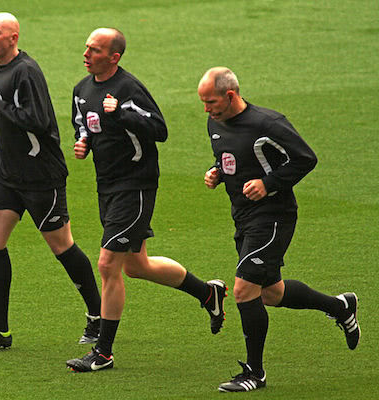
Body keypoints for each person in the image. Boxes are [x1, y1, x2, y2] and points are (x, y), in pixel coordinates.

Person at [65, 28, 227, 373]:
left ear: (114, 57)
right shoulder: (81, 90)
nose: (86, 54)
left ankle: (103, 353)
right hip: (106, 186)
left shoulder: (128, 89)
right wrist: (84, 144)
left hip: (135, 185)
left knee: (108, 264)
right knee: (136, 266)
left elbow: (159, 129)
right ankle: (208, 294)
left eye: (94, 50)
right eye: (86, 48)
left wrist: (120, 112)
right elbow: (84, 126)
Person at [197, 67, 361, 392]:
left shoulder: (267, 123)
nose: (206, 108)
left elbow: (305, 158)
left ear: (230, 96)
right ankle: (340, 306)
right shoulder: (214, 121)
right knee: (270, 293)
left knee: (243, 289)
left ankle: (254, 373)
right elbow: (231, 159)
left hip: (273, 216)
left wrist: (269, 184)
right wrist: (216, 172)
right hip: (242, 216)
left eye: (211, 101)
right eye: (203, 102)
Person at [0, 12, 102, 349]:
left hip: (40, 176)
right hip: (6, 173)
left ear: (13, 37)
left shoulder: (26, 71)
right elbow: (13, 109)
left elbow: (37, 121)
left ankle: (97, 316)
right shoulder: (0, 66)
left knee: (61, 245)